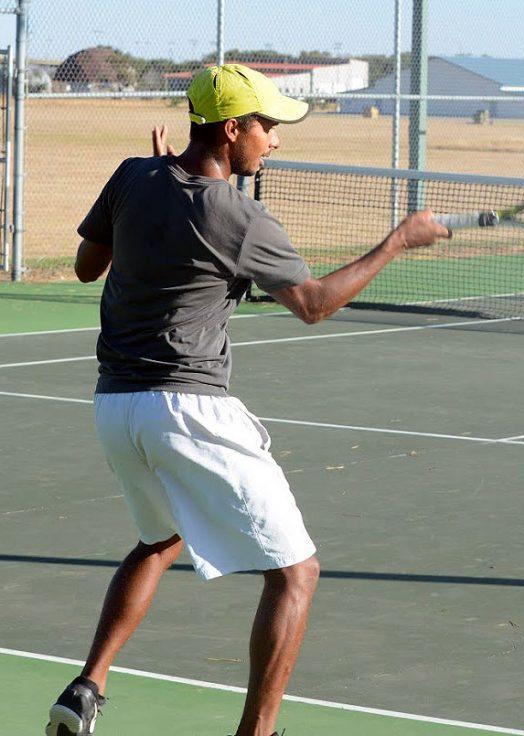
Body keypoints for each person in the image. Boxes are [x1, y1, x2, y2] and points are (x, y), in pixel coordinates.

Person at [45, 63, 450, 736]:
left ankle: (87, 687)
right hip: (186, 409)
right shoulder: (238, 215)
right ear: (231, 130)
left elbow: (90, 266)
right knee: (297, 574)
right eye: (266, 126)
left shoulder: (132, 177)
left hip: (115, 407)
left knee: (158, 539)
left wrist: (154, 203)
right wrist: (397, 241)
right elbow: (314, 305)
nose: (275, 140)